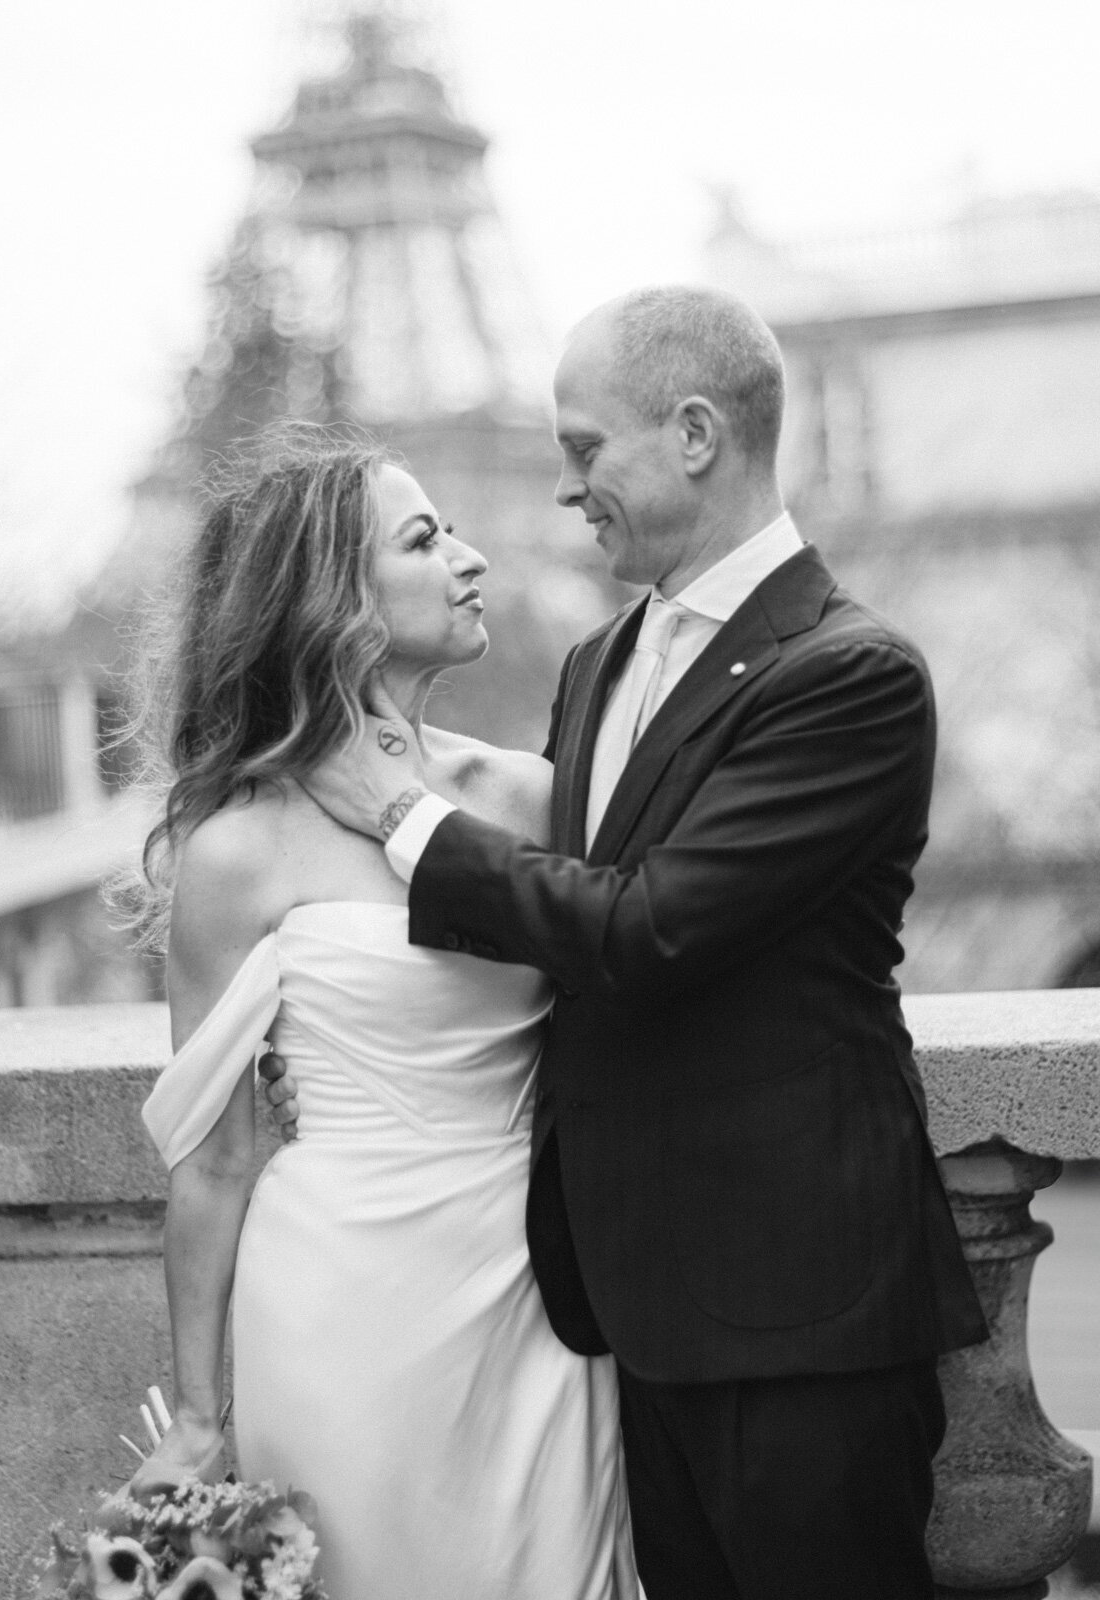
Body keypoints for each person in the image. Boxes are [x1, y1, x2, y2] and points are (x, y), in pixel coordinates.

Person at [270, 288, 989, 1600]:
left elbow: (648, 930)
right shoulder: (599, 662)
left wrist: (403, 821)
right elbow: (551, 917)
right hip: (624, 1320)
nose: (563, 490)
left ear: (698, 433)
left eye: (586, 449)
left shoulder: (849, 676)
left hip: (800, 1326)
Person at [128, 430, 639, 1600]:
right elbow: (211, 1167)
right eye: (425, 539)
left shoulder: (536, 794)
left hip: (538, 1295)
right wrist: (201, 1416)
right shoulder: (234, 851)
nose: (470, 559)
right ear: (333, 601)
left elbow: (630, 983)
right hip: (335, 1300)